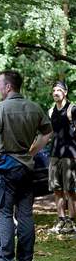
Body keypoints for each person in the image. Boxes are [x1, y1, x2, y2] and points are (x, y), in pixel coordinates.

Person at [0, 70, 52, 261]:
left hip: (5, 168)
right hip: (26, 167)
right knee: (25, 215)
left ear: (8, 87)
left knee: (3, 214)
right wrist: (32, 151)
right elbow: (47, 133)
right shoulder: (34, 107)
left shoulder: (1, 108)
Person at [48, 81, 76, 234]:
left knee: (70, 190)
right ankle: (61, 220)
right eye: (54, 90)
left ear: (65, 92)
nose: (56, 92)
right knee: (56, 190)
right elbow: (49, 134)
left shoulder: (73, 109)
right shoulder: (51, 111)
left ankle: (71, 223)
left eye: (59, 90)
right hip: (54, 155)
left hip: (70, 156)